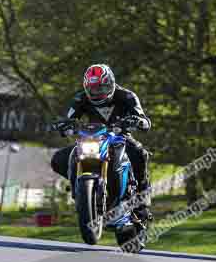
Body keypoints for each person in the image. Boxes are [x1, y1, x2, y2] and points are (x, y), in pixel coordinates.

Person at [50, 64, 152, 221]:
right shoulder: (80, 98)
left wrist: (138, 121)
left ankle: (143, 201)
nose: (97, 93)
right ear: (86, 87)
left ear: (110, 83)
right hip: (92, 139)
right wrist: (64, 125)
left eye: (101, 88)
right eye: (93, 89)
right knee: (58, 159)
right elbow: (69, 118)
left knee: (140, 154)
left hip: (120, 138)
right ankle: (81, 190)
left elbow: (144, 120)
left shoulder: (127, 96)